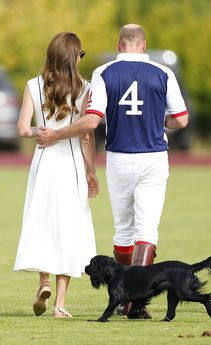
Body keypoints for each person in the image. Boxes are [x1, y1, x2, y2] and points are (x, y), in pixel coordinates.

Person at [36, 24, 189, 318]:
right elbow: (181, 120)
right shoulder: (164, 73)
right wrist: (160, 123)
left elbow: (92, 122)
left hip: (119, 157)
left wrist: (56, 134)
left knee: (124, 230)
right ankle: (135, 303)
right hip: (154, 157)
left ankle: (125, 300)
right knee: (147, 230)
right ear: (143, 45)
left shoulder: (104, 73)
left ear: (120, 46)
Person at [14, 32, 99, 318]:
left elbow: (23, 129)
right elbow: (86, 135)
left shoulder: (32, 85)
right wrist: (91, 171)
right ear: (73, 57)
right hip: (72, 163)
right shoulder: (85, 88)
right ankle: (60, 304)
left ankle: (43, 282)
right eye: (81, 54)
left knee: (43, 221)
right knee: (71, 228)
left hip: (44, 162)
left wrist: (43, 132)